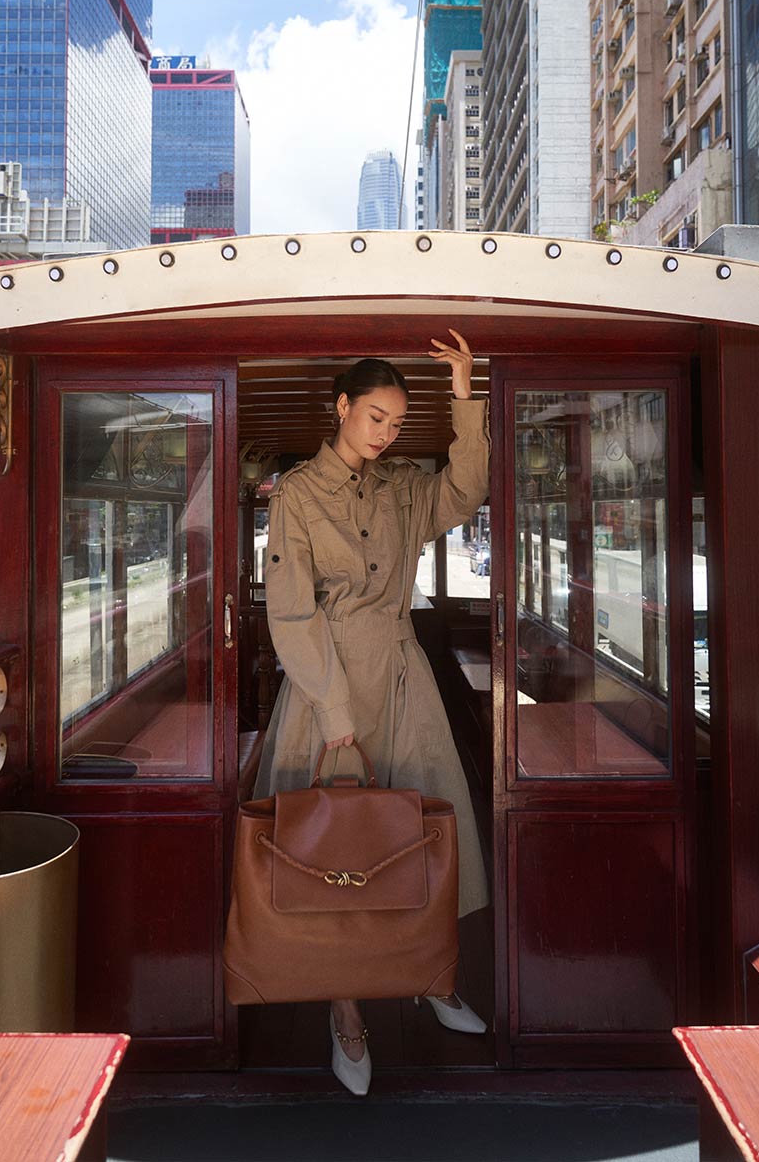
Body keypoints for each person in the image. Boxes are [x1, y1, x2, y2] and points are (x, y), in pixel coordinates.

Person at [254, 333, 490, 1097]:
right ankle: (345, 1009)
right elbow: (290, 615)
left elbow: (468, 489)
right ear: (343, 408)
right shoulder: (294, 495)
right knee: (336, 852)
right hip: (328, 690)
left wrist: (464, 392)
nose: (386, 433)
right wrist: (334, 714)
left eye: (396, 423)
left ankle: (428, 976)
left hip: (402, 676)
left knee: (419, 836)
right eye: (375, 417)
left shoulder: (404, 487)